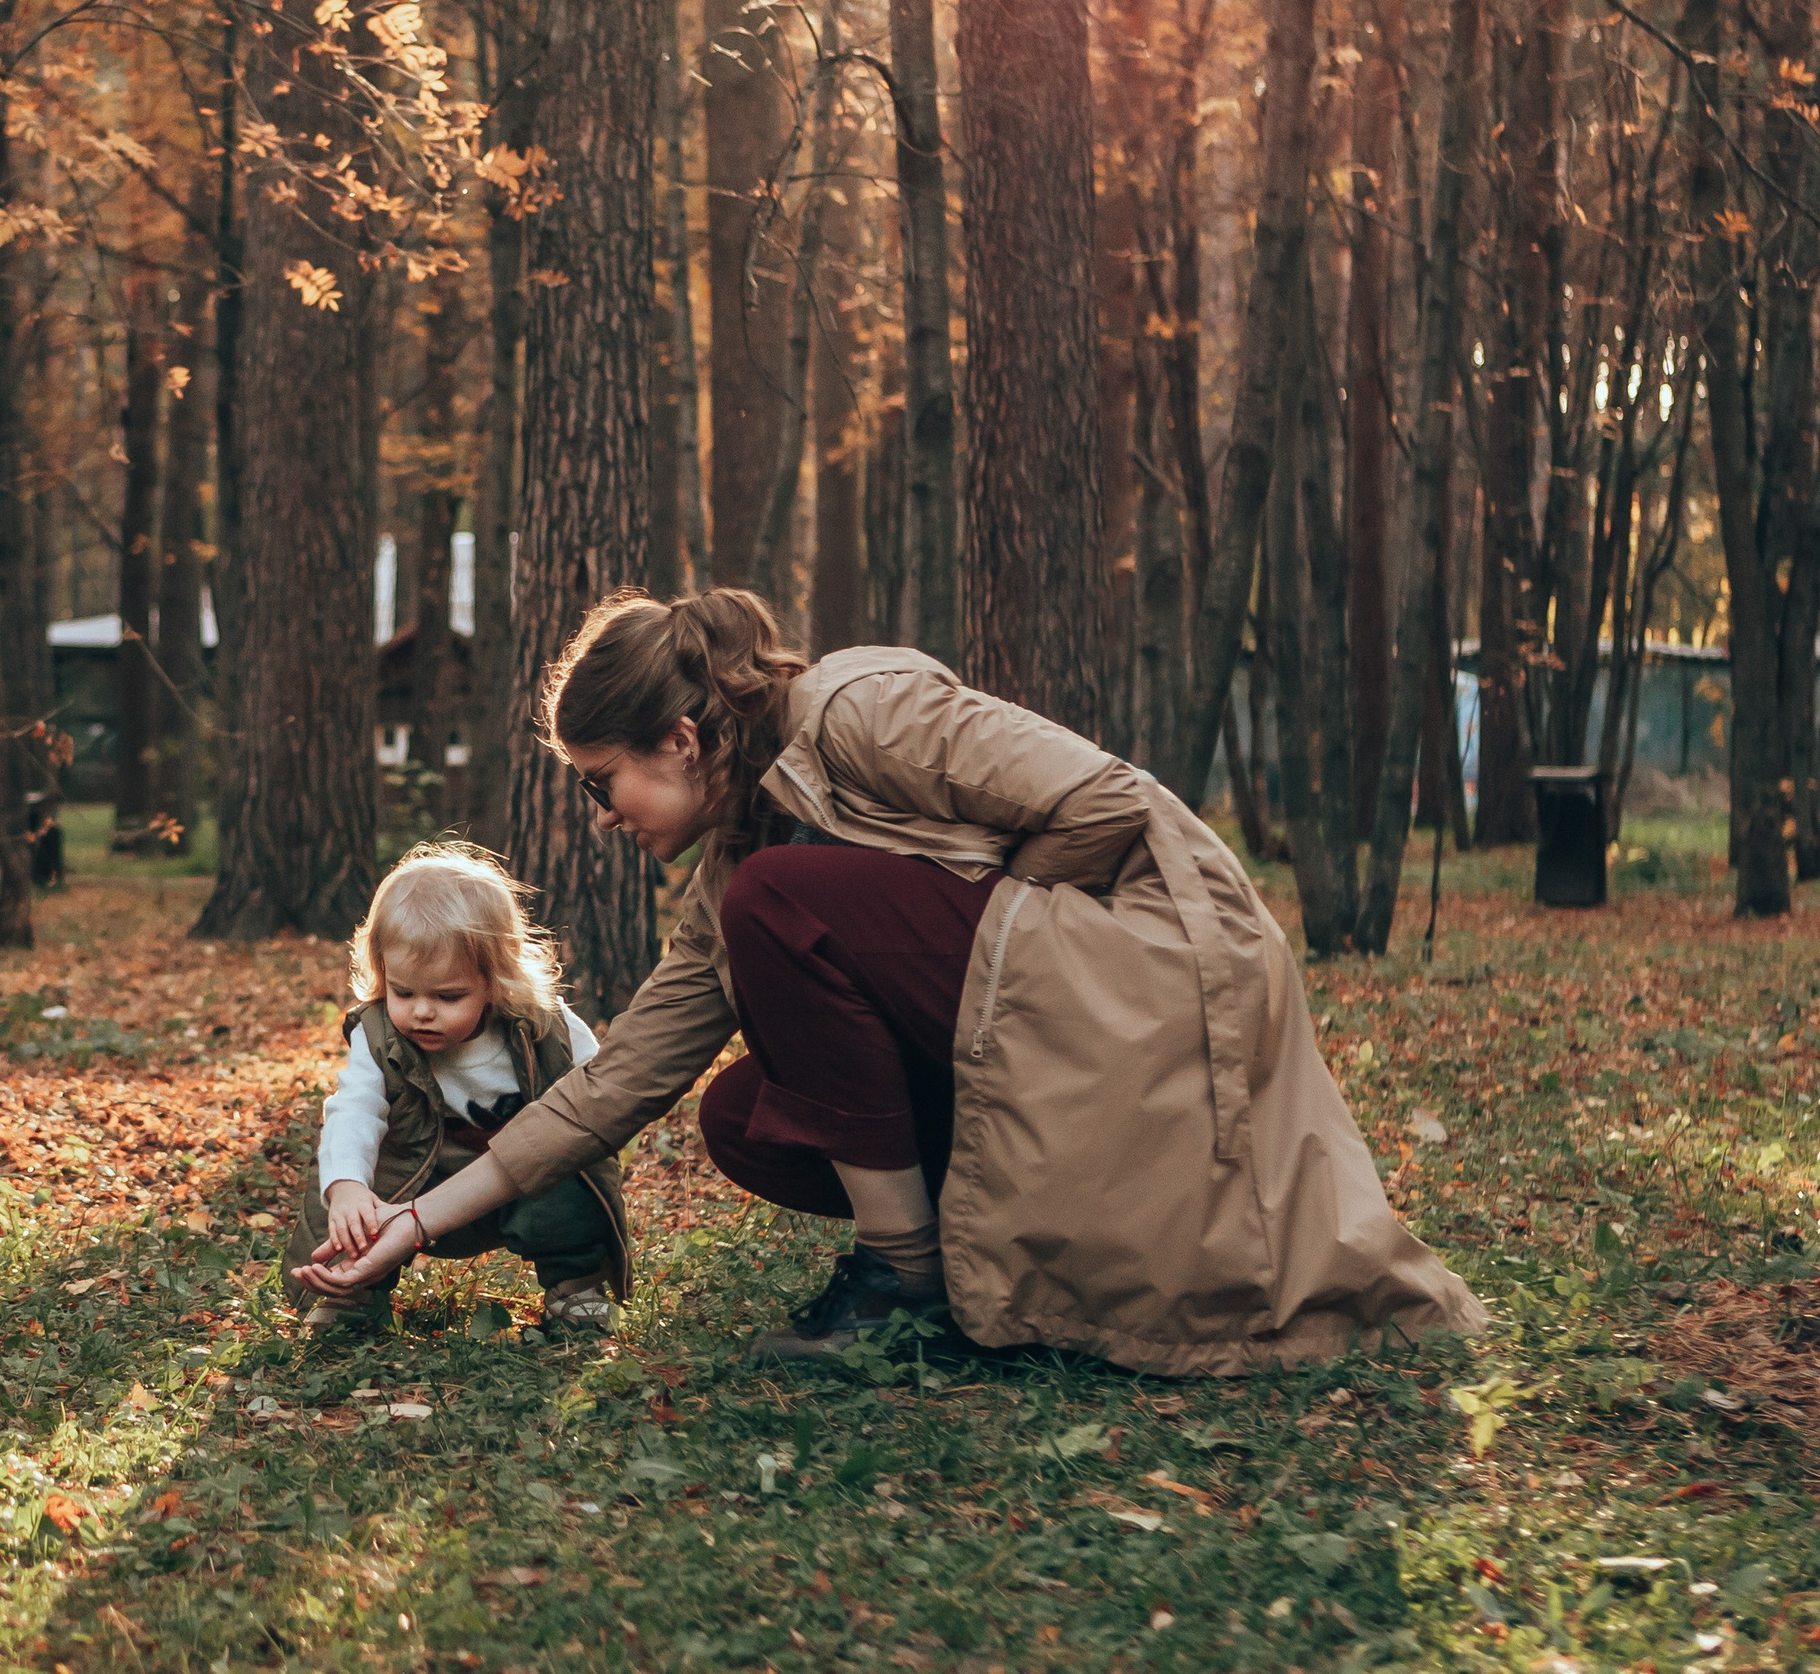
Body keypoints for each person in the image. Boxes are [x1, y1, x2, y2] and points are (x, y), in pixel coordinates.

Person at [296, 590, 1487, 1376]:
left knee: (786, 903)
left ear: (683, 738)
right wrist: (412, 1222)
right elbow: (624, 1079)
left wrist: (986, 917)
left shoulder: (860, 711)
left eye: (606, 782)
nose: (604, 818)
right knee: (738, 1117)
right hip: (1015, 1011)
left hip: (1146, 980)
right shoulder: (738, 861)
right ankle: (947, 1263)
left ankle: (905, 1283)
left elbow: (1110, 806)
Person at [283, 841, 627, 1334]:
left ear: (496, 978)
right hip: (416, 1185)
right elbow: (353, 1108)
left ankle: (576, 1289)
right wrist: (347, 1187)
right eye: (403, 991)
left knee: (569, 1172)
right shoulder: (379, 1035)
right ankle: (352, 1293)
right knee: (350, 1193)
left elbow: (601, 1093)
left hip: (518, 1191)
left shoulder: (543, 1027)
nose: (421, 1011)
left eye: (448, 996)